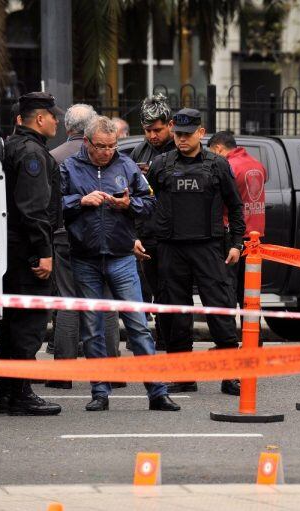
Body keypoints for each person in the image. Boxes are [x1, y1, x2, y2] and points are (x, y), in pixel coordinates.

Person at [61, 116, 180, 412]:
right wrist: (80, 201)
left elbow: (150, 202)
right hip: (85, 257)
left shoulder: (126, 165)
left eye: (112, 146)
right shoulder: (69, 168)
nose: (106, 151)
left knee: (138, 325)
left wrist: (130, 205)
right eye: (100, 146)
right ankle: (100, 391)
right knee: (92, 328)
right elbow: (54, 204)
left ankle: (157, 392)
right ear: (87, 142)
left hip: (122, 256)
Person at [147, 109, 245, 395]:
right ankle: (183, 375)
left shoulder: (217, 165)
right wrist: (141, 237)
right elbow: (145, 204)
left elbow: (235, 206)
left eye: (187, 135)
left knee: (220, 309)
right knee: (175, 313)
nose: (181, 140)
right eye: (177, 135)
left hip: (208, 247)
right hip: (170, 247)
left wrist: (237, 244)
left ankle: (230, 375)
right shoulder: (161, 164)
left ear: (201, 133)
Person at [0, 92, 64, 416]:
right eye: (53, 116)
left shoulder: (14, 145)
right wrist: (43, 252)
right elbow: (33, 209)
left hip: (12, 248)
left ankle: (7, 394)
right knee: (29, 324)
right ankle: (21, 394)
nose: (57, 121)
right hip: (27, 251)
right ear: (40, 119)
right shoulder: (33, 153)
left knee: (12, 323)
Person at [46, 104, 123, 390]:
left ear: (68, 128)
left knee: (68, 301)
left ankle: (63, 373)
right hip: (103, 237)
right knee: (106, 301)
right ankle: (111, 370)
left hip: (64, 236)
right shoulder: (111, 159)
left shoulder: (52, 157)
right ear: (92, 130)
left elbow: (50, 204)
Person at [129, 94, 183, 351]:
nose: (152, 135)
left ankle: (172, 342)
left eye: (158, 130)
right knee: (154, 289)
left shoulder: (181, 147)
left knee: (173, 289)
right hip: (148, 230)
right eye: (148, 130)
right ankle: (161, 340)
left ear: (170, 125)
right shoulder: (140, 150)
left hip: (176, 232)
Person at [208, 130, 267, 310]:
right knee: (250, 288)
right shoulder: (257, 164)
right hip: (255, 236)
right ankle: (253, 336)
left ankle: (230, 334)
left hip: (232, 236)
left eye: (211, 153)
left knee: (228, 287)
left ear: (218, 148)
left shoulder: (228, 166)